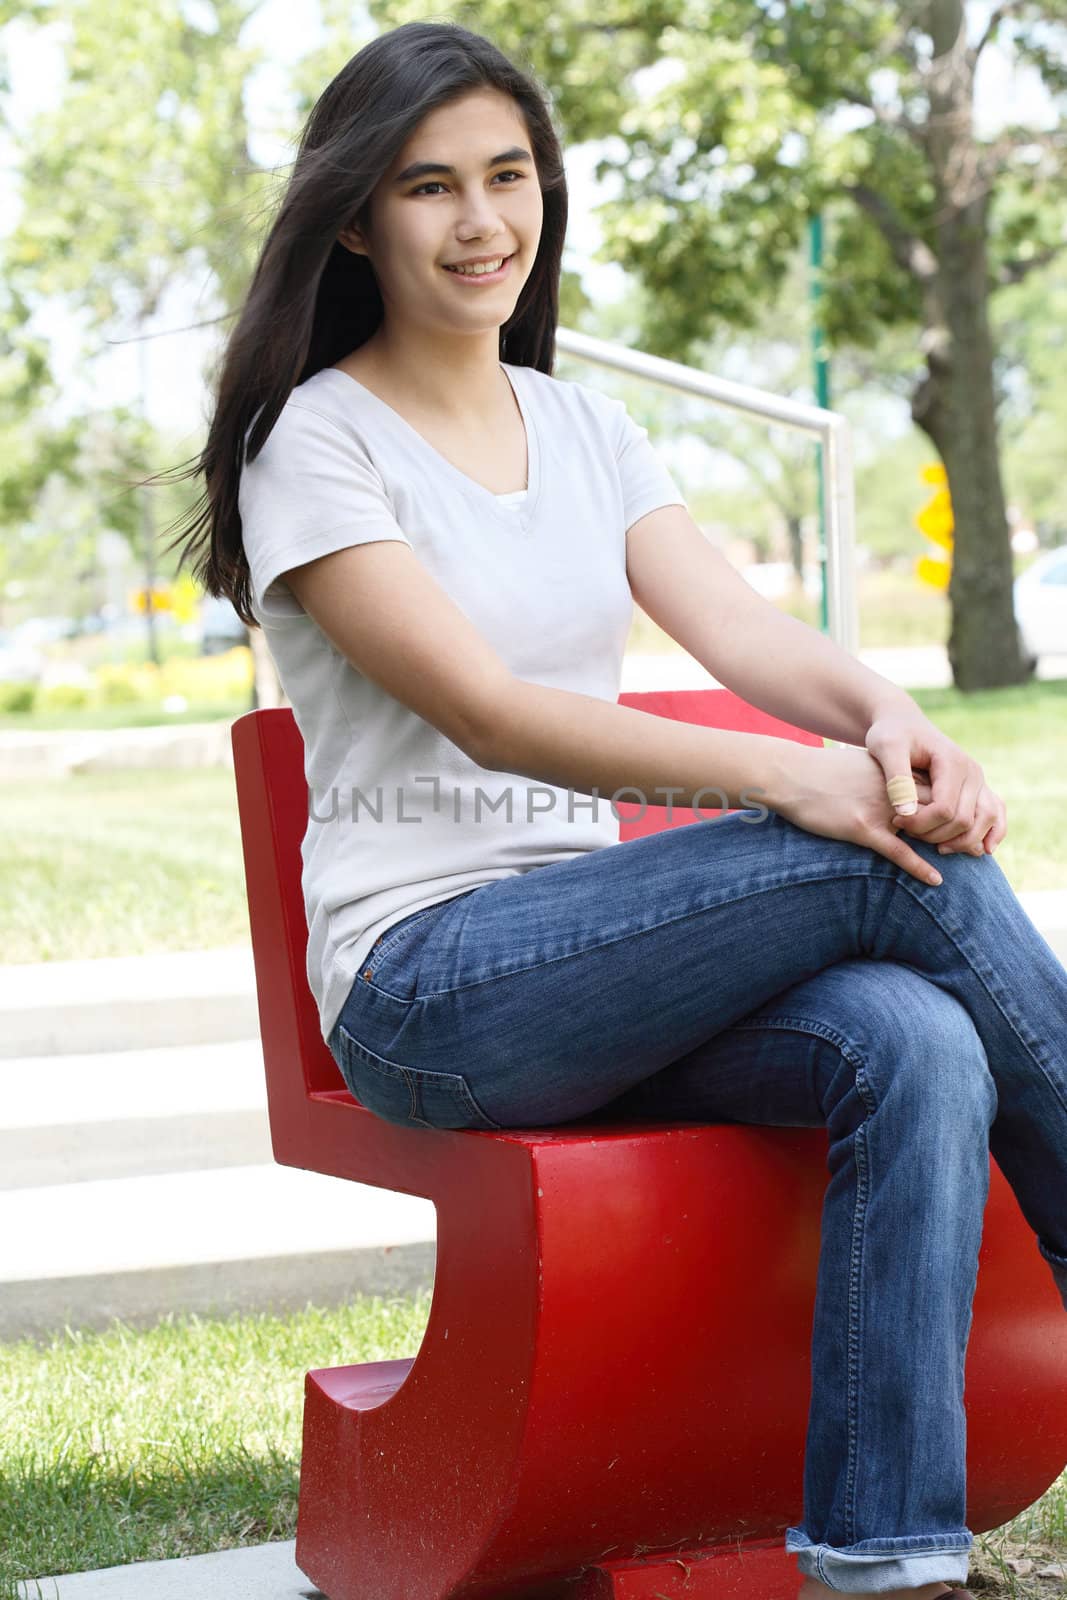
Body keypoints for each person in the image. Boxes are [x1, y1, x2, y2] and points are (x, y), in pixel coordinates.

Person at [162, 21, 1067, 1598]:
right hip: (433, 983)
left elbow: (744, 634)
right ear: (359, 220)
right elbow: (493, 713)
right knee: (866, 862)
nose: (479, 221)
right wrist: (804, 779)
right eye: (428, 187)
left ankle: (885, 1555)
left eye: (506, 175)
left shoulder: (582, 423)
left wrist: (885, 715)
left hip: (607, 978)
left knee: (914, 1040)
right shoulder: (313, 445)